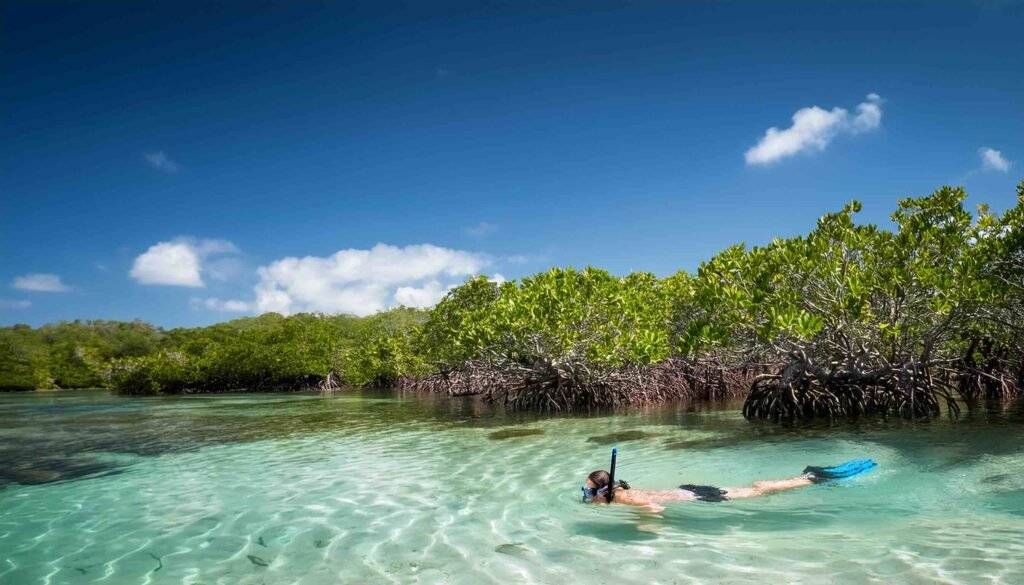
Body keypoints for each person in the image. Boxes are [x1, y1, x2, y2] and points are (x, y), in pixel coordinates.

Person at [581, 459, 877, 513]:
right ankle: (807, 478)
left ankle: (810, 479)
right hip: (690, 491)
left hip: (698, 497)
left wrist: (645, 526)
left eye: (588, 491)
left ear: (602, 491)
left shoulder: (621, 499)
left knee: (758, 489)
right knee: (754, 487)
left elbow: (653, 506)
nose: (586, 496)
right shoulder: (620, 494)